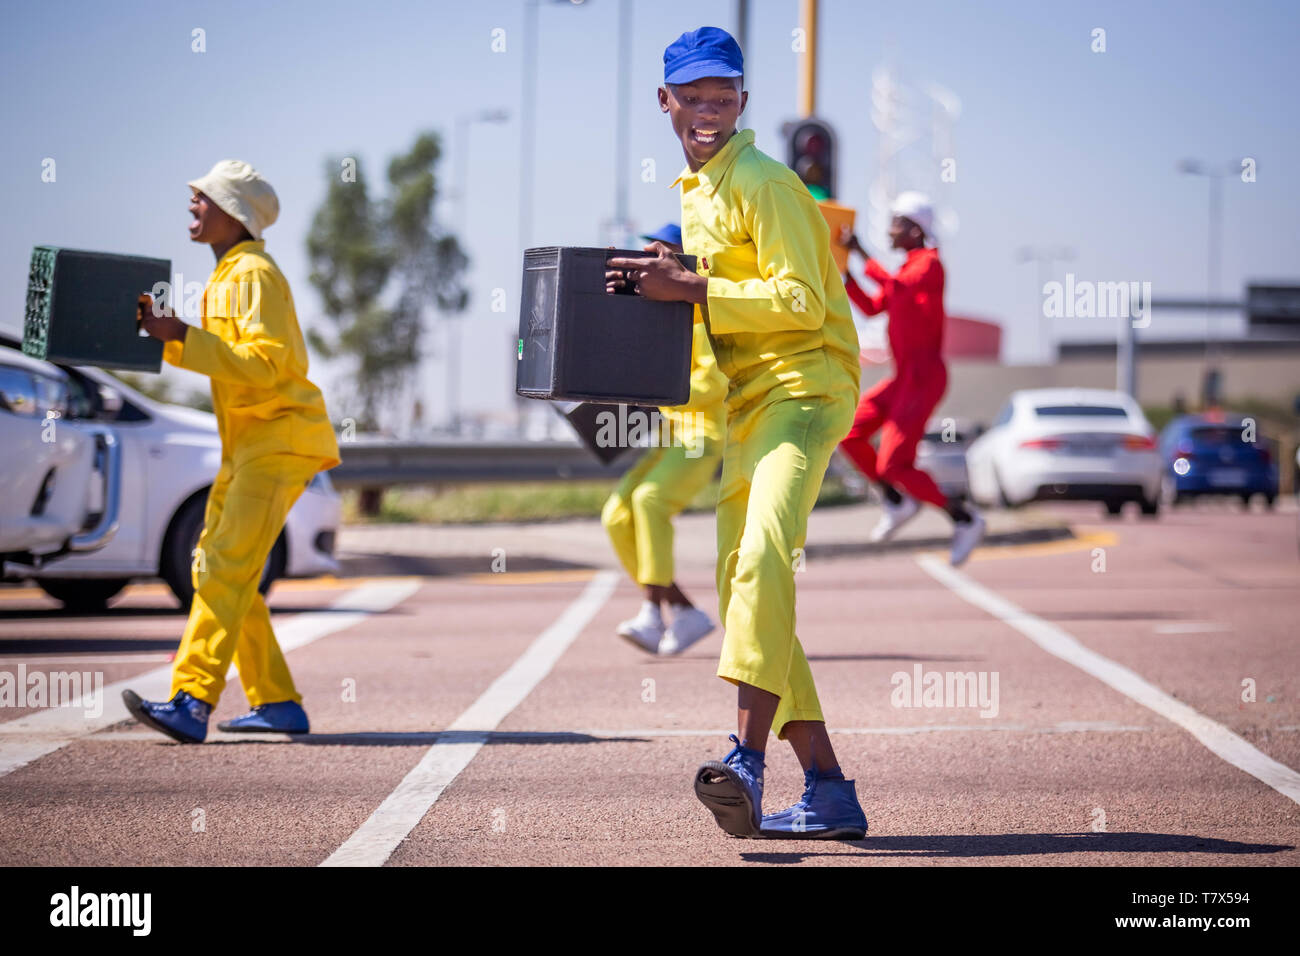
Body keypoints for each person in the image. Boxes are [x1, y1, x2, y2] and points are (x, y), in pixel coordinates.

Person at [606, 27, 868, 840]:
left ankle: (747, 762)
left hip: (808, 390)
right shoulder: (701, 190)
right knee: (740, 589)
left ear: (744, 104)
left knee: (760, 559)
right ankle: (827, 786)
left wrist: (690, 287)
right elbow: (722, 278)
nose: (708, 112)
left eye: (723, 98)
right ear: (667, 103)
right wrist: (667, 269)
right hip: (748, 404)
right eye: (693, 98)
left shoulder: (767, 181)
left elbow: (799, 302)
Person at [124, 160, 340, 743]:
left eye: (203, 199)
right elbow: (230, 360)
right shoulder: (228, 274)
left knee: (223, 565)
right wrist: (172, 339)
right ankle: (277, 702)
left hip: (278, 439)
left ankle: (192, 699)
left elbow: (268, 367)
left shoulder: (254, 275)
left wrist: (182, 338)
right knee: (212, 568)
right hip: (249, 444)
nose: (191, 205)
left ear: (234, 214)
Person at [838, 195, 986, 566]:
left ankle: (964, 518)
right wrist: (844, 276)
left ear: (915, 229)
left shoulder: (929, 266)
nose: (890, 229)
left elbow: (898, 287)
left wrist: (860, 252)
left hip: (923, 378)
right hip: (902, 378)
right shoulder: (906, 269)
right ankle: (895, 500)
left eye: (896, 222)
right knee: (849, 431)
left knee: (893, 463)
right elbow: (873, 307)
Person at [601, 223, 727, 656]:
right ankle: (685, 612)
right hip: (673, 435)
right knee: (617, 514)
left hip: (702, 438)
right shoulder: (663, 310)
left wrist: (651, 389)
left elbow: (712, 385)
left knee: (650, 502)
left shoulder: (705, 313)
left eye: (657, 253)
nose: (646, 260)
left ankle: (653, 615)